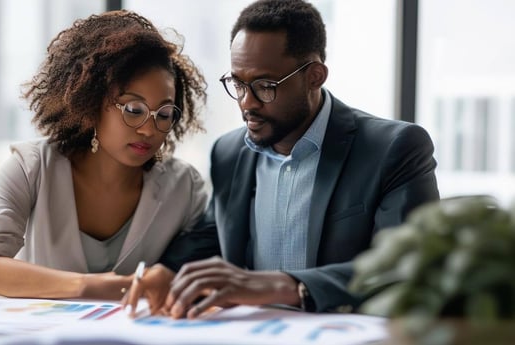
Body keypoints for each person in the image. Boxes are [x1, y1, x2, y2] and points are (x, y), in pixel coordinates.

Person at [123, 0, 439, 318]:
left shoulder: (393, 148)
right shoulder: (228, 154)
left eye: (264, 85)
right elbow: (208, 241)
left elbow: (408, 267)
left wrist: (283, 286)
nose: (247, 102)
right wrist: (167, 271)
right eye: (238, 83)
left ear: (315, 76)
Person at [0, 10, 217, 300]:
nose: (149, 130)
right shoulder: (32, 168)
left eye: (164, 114)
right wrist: (92, 285)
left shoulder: (184, 187)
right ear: (91, 103)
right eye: (134, 110)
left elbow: (195, 279)